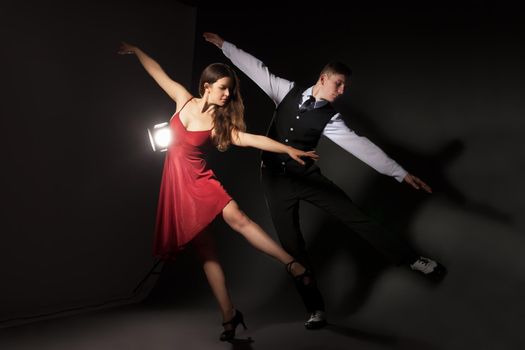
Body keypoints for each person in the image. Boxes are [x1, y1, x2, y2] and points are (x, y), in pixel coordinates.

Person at [203, 32, 447, 330]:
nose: (342, 91)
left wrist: (400, 173)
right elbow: (257, 68)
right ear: (323, 79)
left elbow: (361, 146)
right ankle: (315, 309)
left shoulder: (331, 118)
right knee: (293, 246)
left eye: (344, 86)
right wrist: (225, 46)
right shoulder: (286, 91)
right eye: (338, 84)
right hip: (274, 183)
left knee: (357, 218)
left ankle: (410, 259)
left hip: (307, 178)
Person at [118, 42, 318, 341]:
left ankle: (293, 265)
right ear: (207, 86)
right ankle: (229, 314)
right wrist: (136, 50)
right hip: (178, 188)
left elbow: (252, 140)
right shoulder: (182, 99)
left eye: (230, 90)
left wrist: (288, 149)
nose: (228, 95)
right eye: (223, 88)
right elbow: (157, 71)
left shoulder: (218, 124)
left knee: (238, 219)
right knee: (206, 253)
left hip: (201, 182)